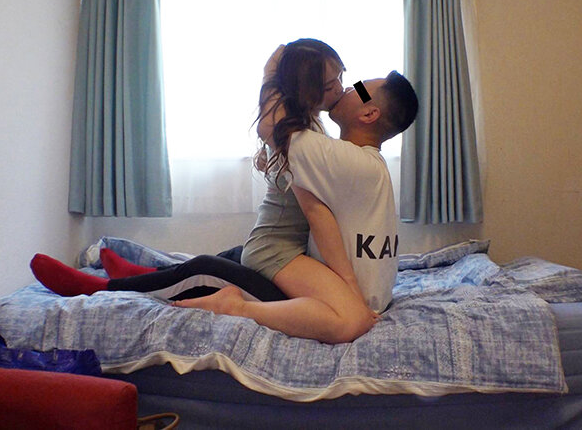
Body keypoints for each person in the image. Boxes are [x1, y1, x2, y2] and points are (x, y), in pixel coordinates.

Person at [174, 70, 418, 344]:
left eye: (359, 88)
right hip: (368, 293)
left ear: (369, 114)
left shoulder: (349, 160)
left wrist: (277, 67)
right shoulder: (364, 163)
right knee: (214, 263)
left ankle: (234, 307)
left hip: (342, 300)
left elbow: (271, 127)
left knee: (206, 270)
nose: (348, 87)